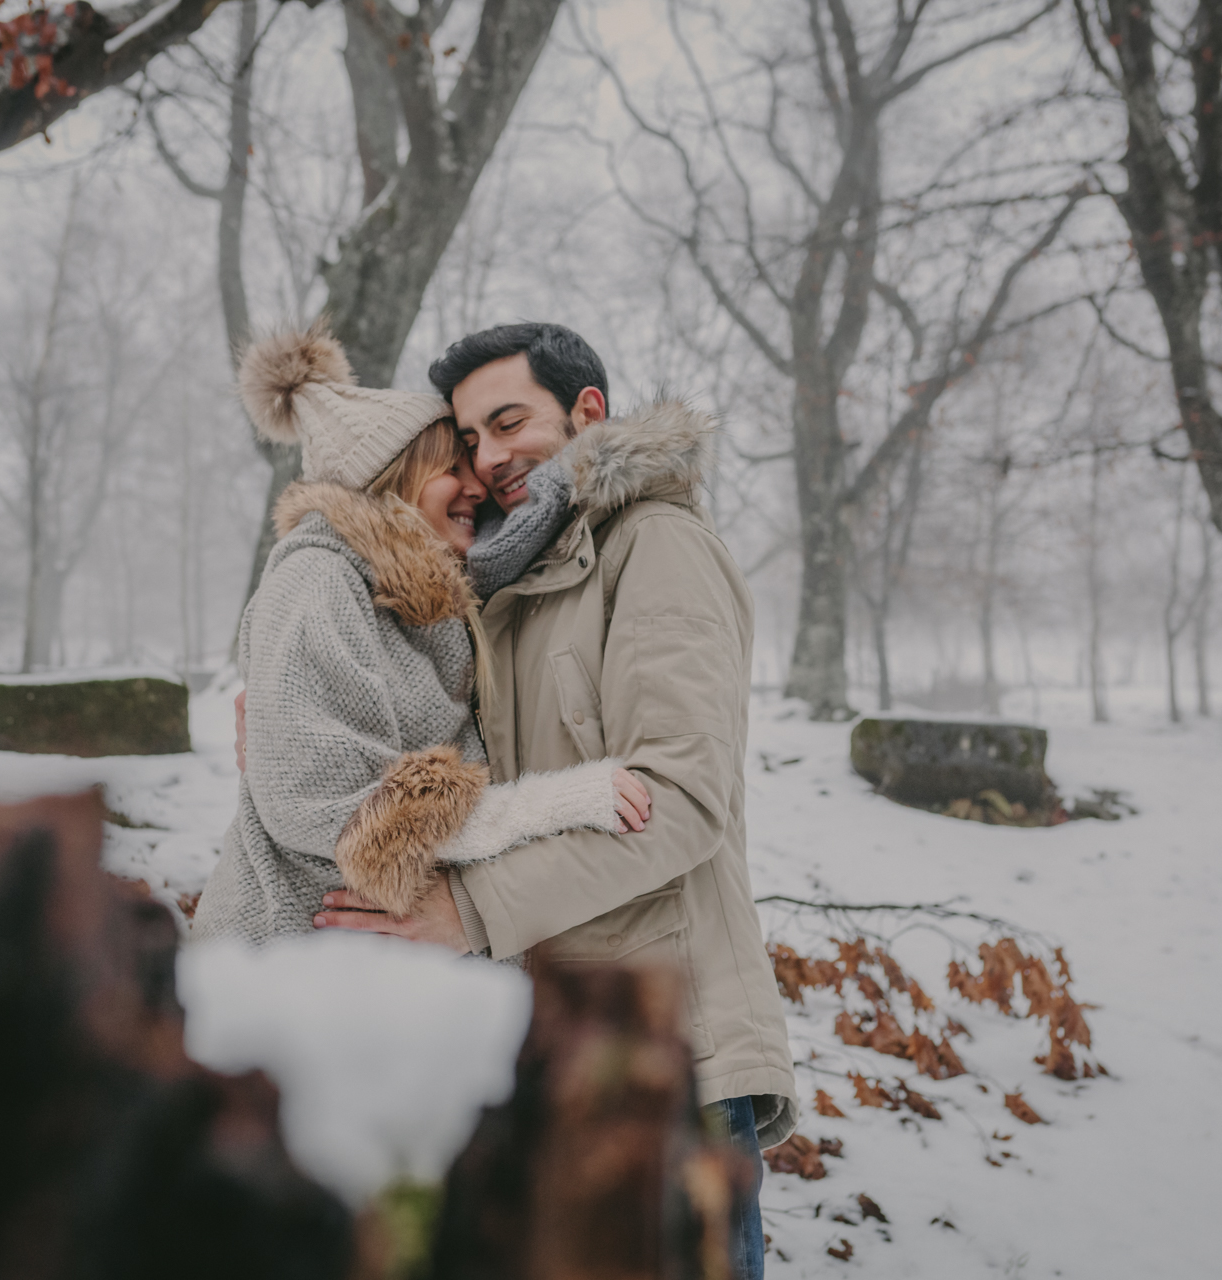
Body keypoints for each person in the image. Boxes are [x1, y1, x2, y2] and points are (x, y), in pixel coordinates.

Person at [315, 323, 795, 1280]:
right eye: (471, 439)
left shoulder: (654, 547)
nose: (489, 461)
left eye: (508, 422)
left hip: (668, 1043)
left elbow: (683, 800)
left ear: (587, 412)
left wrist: (469, 911)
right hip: (546, 1039)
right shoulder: (506, 584)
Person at [192, 324, 652, 945]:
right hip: (292, 968)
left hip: (391, 982)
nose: (477, 483)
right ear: (393, 481)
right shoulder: (318, 578)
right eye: (450, 467)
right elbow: (338, 810)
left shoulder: (439, 609)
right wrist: (560, 803)